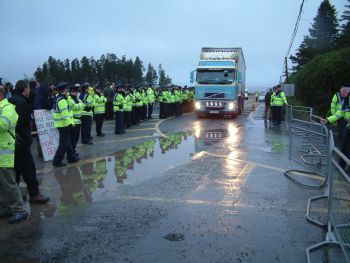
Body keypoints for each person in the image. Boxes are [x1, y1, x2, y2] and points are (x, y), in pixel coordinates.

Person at [10, 80, 49, 204]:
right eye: (29, 89)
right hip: (21, 144)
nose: (30, 91)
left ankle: (13, 197)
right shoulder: (21, 102)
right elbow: (18, 123)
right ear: (25, 90)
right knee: (29, 170)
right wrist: (20, 138)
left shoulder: (13, 99)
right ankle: (34, 194)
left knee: (15, 172)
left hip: (14, 143)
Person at [0, 86, 29, 224]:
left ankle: (19, 210)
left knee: (9, 184)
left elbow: (3, 125)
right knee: (2, 185)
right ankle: (6, 207)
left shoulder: (8, 108)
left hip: (4, 154)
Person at [321, 84, 350, 168]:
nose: (341, 94)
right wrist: (328, 120)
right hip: (348, 127)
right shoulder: (345, 100)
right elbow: (339, 113)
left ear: (347, 91)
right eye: (341, 92)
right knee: (344, 147)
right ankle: (341, 166)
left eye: (343, 92)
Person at [52, 82, 80, 167]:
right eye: (67, 89)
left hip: (63, 124)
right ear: (64, 90)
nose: (68, 90)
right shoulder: (62, 100)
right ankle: (57, 161)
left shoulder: (61, 98)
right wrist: (71, 124)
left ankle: (71, 157)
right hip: (63, 124)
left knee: (67, 143)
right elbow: (65, 115)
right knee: (63, 144)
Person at [67, 84, 84, 155]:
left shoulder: (77, 99)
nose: (75, 93)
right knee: (73, 138)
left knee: (76, 138)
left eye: (76, 92)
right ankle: (71, 152)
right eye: (73, 92)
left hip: (78, 121)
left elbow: (83, 105)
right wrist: (79, 105)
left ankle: (73, 149)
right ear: (70, 92)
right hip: (73, 121)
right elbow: (76, 107)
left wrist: (79, 105)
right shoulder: (69, 99)